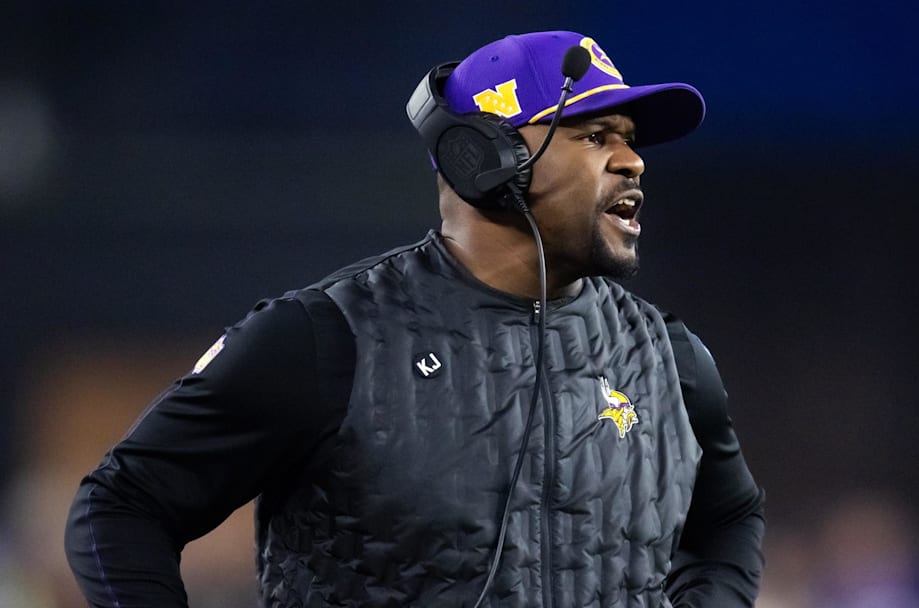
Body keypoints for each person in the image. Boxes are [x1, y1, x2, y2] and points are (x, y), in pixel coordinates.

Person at [64, 30, 765, 607]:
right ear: (484, 159)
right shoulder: (326, 338)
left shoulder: (668, 358)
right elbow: (122, 506)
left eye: (632, 137)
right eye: (594, 135)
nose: (633, 161)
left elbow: (729, 518)